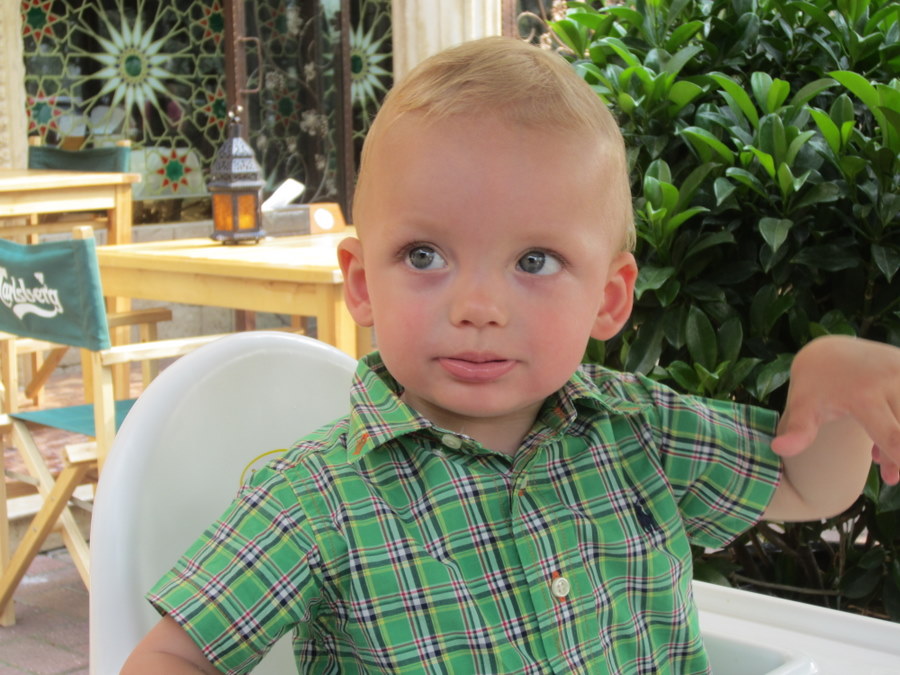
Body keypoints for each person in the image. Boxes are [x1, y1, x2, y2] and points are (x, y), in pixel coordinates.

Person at [123, 36, 900, 674]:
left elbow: (808, 483)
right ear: (361, 284)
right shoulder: (316, 498)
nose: (478, 307)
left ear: (609, 297)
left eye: (534, 261)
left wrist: (829, 382)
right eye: (425, 255)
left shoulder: (639, 432)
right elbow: (171, 655)